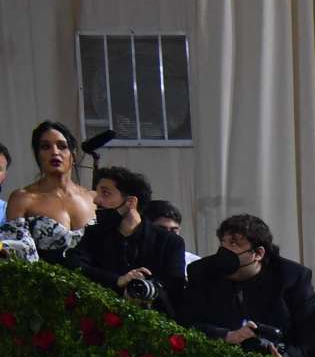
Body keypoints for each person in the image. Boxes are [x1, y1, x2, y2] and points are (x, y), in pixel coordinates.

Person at [182, 213, 315, 357]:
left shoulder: (292, 277)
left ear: (258, 253)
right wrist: (227, 336)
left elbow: (313, 336)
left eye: (234, 244)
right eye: (223, 243)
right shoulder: (202, 271)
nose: (224, 251)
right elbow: (187, 322)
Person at [74, 165, 187, 314]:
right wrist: (118, 280)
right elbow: (75, 265)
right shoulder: (94, 234)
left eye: (106, 193)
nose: (96, 200)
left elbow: (175, 286)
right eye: (97, 193)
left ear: (131, 202)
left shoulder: (170, 242)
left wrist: (143, 288)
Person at [4, 122, 95, 262]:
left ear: (73, 154)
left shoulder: (92, 198)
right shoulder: (23, 199)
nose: (55, 152)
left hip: (98, 282)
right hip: (44, 281)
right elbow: (17, 256)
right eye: (45, 147)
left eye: (62, 146)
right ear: (38, 156)